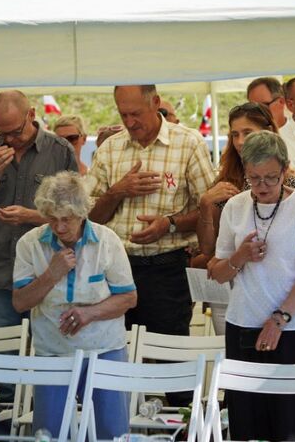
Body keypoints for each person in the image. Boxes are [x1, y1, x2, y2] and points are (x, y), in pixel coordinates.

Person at [207, 131, 295, 442]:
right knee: (247, 430)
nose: (261, 187)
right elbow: (218, 273)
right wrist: (240, 256)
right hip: (243, 325)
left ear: (285, 171)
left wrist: (279, 319)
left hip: (293, 328)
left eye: (270, 178)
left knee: (290, 431)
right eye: (254, 178)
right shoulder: (235, 208)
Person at [12, 172, 137, 442]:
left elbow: (128, 298)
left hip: (104, 349)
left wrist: (89, 313)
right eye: (52, 219)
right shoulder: (30, 244)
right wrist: (51, 274)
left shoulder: (107, 241)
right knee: (48, 433)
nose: (59, 227)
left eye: (66, 219)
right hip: (53, 352)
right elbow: (20, 302)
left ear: (82, 213)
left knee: (111, 432)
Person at [88, 85, 214, 341]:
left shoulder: (188, 144)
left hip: (167, 271)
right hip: (114, 270)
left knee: (169, 357)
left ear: (155, 102)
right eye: (123, 115)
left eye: (136, 113)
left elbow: (210, 209)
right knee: (115, 352)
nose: (130, 122)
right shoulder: (109, 149)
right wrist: (117, 192)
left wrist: (169, 224)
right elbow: (90, 218)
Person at [0, 91, 77, 328]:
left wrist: (32, 216)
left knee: (48, 354)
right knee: (3, 355)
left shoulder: (60, 151)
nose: (9, 140)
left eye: (16, 131)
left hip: (46, 272)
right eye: (1, 133)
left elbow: (75, 217)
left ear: (32, 115)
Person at [195, 103, 295, 334]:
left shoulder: (289, 184)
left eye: (247, 133)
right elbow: (209, 251)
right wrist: (205, 206)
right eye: (235, 134)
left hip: (277, 294)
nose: (240, 141)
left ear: (268, 132)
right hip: (228, 293)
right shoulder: (226, 178)